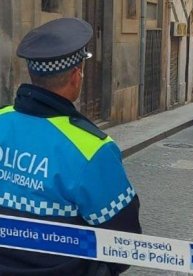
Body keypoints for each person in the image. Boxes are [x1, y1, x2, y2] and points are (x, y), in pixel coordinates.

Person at [0, 18, 142, 275]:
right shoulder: (92, 148)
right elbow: (124, 244)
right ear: (77, 75)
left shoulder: (2, 119)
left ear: (32, 73)